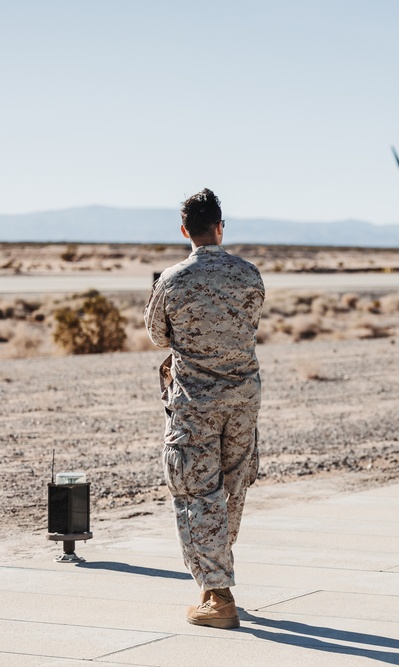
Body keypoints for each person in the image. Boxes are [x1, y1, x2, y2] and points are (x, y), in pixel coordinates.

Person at [144, 188, 264, 629]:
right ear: (220, 227)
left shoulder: (173, 280)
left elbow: (158, 335)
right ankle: (218, 574)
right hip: (242, 399)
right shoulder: (249, 275)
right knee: (232, 486)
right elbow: (248, 324)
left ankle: (217, 593)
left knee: (197, 492)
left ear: (184, 231)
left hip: (195, 403)